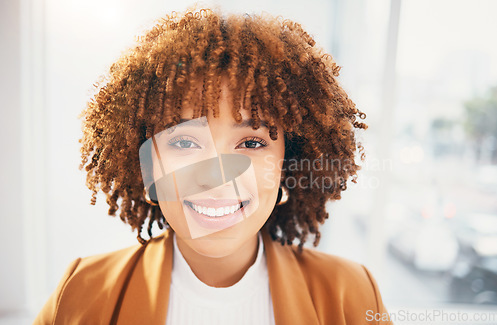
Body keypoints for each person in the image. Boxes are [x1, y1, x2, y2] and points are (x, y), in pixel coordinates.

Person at [34, 7, 393, 325]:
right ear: (148, 169)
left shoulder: (353, 298)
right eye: (184, 143)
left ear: (288, 165)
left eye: (251, 143)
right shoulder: (79, 295)